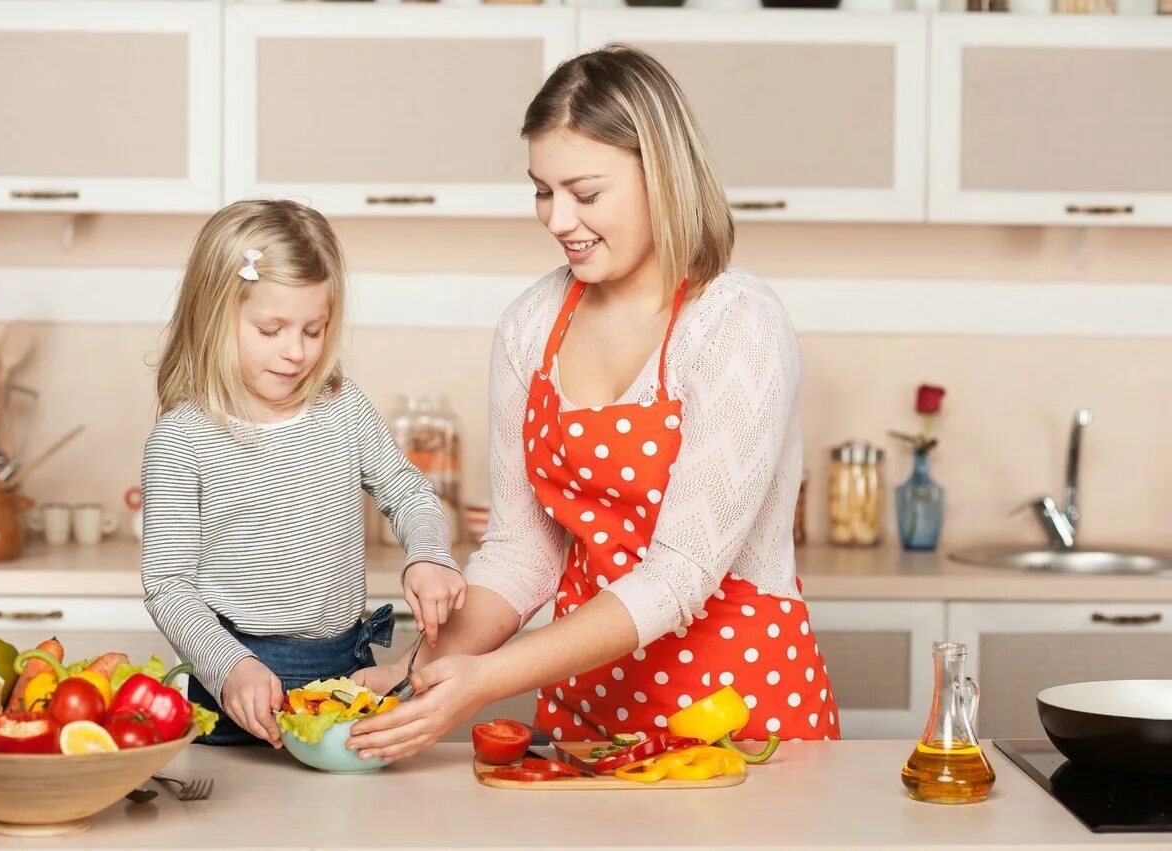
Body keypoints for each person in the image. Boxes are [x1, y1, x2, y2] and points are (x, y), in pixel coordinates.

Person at [348, 45, 840, 763]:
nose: (557, 218)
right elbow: (524, 549)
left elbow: (681, 573)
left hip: (742, 718)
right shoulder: (530, 324)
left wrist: (485, 679)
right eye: (542, 190)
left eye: (585, 191)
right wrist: (412, 674)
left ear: (662, 176)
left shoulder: (737, 325)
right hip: (589, 719)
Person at [141, 199, 466, 747]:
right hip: (231, 692)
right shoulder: (182, 438)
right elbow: (168, 586)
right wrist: (230, 668)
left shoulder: (340, 407)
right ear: (213, 314)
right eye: (271, 330)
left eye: (313, 330)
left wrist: (429, 555)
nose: (296, 353)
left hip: (342, 683)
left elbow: (409, 492)